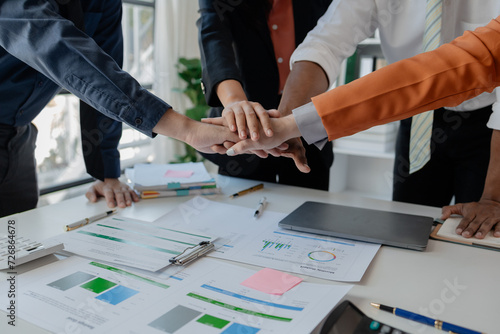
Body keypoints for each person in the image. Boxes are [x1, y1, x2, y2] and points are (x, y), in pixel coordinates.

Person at [209, 15, 500, 239]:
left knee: (477, 236)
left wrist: (494, 196)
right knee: (408, 231)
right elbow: (325, 44)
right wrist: (287, 124)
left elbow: (469, 63)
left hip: (490, 123)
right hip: (416, 117)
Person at [0, 0, 237, 217]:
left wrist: (107, 175)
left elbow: (106, 74)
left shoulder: (105, 4)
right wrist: (186, 129)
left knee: (17, 246)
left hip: (18, 137)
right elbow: (59, 50)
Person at [197, 0, 333, 190]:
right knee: (242, 212)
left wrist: (286, 122)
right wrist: (236, 105)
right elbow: (213, 39)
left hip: (305, 122)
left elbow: (330, 42)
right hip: (245, 129)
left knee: (309, 211)